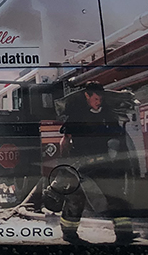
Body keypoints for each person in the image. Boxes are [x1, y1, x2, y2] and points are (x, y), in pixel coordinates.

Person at [58, 82, 137, 245]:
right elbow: (65, 141)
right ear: (87, 96)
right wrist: (64, 165)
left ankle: (124, 233)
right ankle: (69, 231)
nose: (98, 100)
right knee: (76, 197)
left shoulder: (109, 114)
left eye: (100, 97)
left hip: (105, 162)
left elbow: (118, 136)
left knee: (116, 195)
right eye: (95, 97)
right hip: (81, 163)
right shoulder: (76, 115)